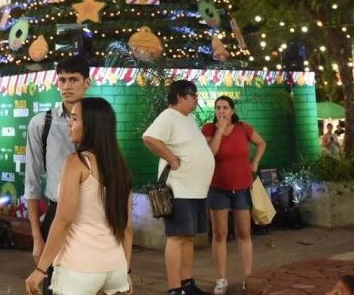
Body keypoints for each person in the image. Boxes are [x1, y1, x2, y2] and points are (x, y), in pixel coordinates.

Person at [25, 97, 133, 295]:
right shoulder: (120, 168)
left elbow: (63, 220)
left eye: (74, 119)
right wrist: (125, 273)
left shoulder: (77, 162)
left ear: (90, 126)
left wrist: (40, 269)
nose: (69, 124)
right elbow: (126, 228)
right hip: (116, 266)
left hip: (79, 268)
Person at [25, 55, 93, 290]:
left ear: (87, 83)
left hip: (93, 215)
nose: (66, 86)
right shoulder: (41, 123)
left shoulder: (100, 120)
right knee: (54, 285)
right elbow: (32, 182)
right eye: (62, 80)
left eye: (73, 79)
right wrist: (37, 237)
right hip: (56, 213)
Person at [142, 79, 216, 295]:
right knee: (177, 237)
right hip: (180, 189)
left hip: (195, 190)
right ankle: (175, 288)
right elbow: (149, 138)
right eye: (193, 95)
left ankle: (187, 283)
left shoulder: (188, 119)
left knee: (188, 237)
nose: (196, 99)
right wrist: (172, 159)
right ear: (180, 97)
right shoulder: (169, 116)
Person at [201, 96, 266, 295]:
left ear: (232, 110)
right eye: (218, 108)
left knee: (244, 233)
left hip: (242, 188)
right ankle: (221, 279)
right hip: (218, 188)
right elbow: (211, 152)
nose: (221, 111)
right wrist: (220, 130)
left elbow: (261, 143)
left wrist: (255, 162)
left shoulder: (243, 128)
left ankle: (248, 278)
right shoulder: (209, 129)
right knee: (220, 234)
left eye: (225, 107)